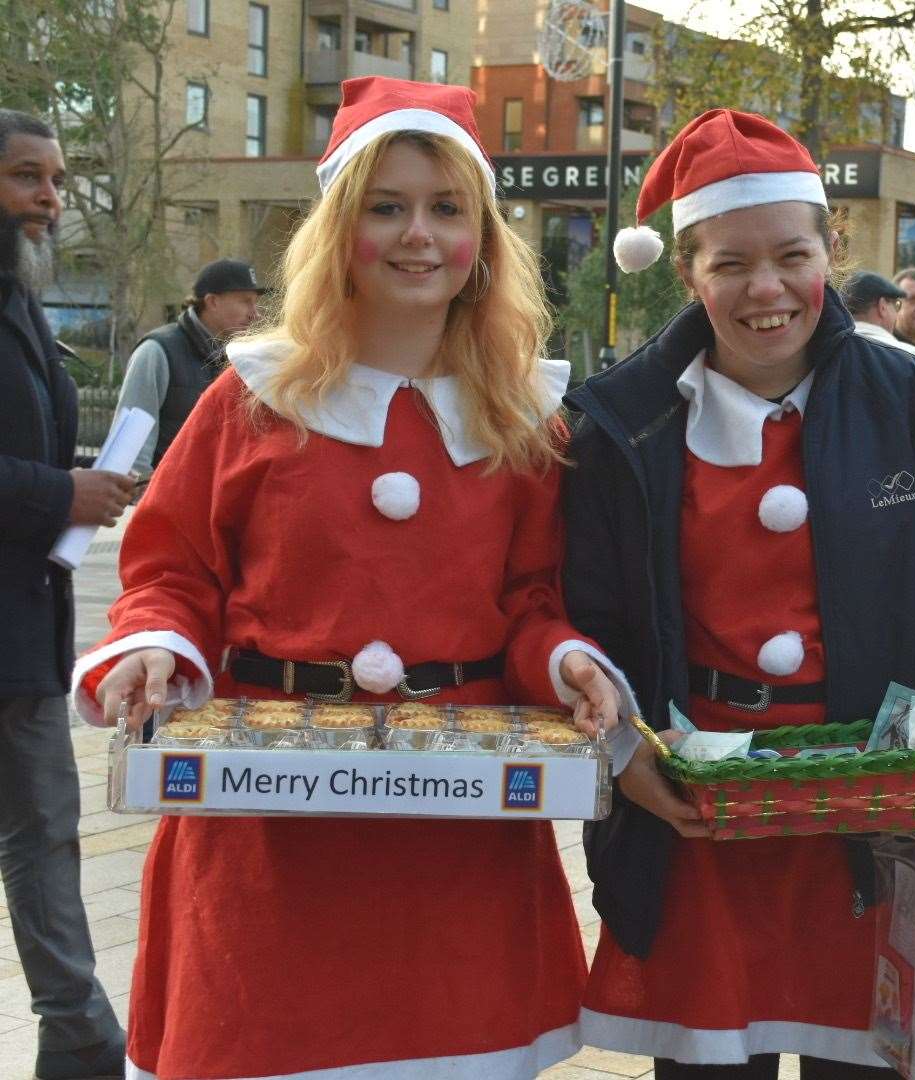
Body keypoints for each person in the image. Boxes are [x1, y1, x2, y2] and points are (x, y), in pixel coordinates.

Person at [68, 77, 637, 1078]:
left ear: (482, 240)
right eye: (386, 206)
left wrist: (571, 665)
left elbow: (532, 606)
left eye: (445, 208)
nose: (417, 235)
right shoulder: (249, 401)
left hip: (457, 858)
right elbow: (171, 571)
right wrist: (154, 648)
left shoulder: (523, 424)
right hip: (267, 849)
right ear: (340, 229)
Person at [567, 108, 915, 1077]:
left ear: (830, 249)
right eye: (730, 264)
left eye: (792, 255)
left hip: (870, 827)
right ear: (685, 273)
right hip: (699, 821)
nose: (767, 290)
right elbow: (587, 615)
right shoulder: (618, 426)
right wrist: (627, 755)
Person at [0, 107, 129, 1080]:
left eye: (53, 177)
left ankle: (79, 1039)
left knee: (46, 829)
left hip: (22, 631)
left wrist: (84, 487)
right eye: (26, 177)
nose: (50, 198)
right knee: (42, 831)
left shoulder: (21, 298)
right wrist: (61, 494)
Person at [115, 258, 265, 475]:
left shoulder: (242, 358)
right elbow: (131, 448)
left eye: (255, 302)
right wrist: (142, 492)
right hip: (167, 499)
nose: (255, 313)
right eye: (245, 301)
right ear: (212, 301)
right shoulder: (158, 351)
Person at [842, 269, 915, 360]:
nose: (896, 314)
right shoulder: (913, 357)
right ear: (882, 307)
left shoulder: (830, 348)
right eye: (896, 305)